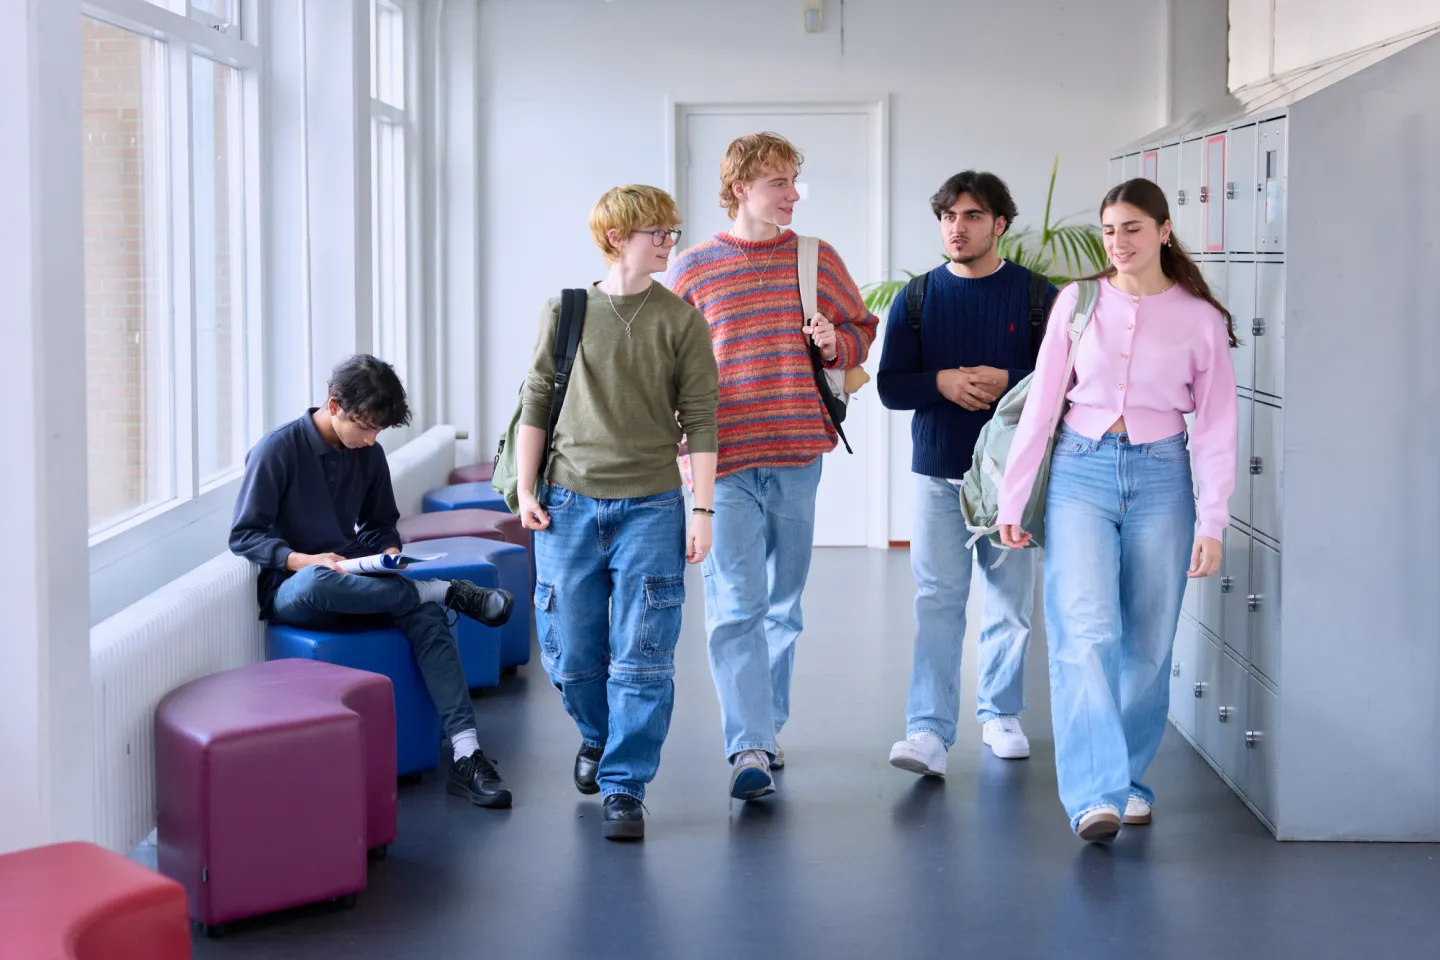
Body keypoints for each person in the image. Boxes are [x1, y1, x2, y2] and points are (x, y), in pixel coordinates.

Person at [998, 178, 1238, 842]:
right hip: (1080, 472)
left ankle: (1126, 777)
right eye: (1109, 230)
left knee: (1149, 643)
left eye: (1132, 228)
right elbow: (1042, 404)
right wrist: (1014, 496)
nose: (1118, 242)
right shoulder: (1077, 302)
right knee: (1085, 632)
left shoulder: (1201, 319)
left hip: (1164, 478)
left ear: (1164, 230)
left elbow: (1217, 428)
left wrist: (1213, 520)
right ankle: (1093, 796)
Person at [668, 132, 877, 802]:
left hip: (796, 455)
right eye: (778, 183)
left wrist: (835, 341)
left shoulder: (817, 258)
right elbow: (669, 367)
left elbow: (862, 329)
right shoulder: (694, 269)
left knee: (783, 604)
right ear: (740, 189)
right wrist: (681, 456)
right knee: (737, 605)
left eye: (794, 182)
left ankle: (766, 725)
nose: (792, 195)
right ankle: (749, 744)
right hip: (722, 462)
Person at [514, 185, 719, 842]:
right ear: (615, 238)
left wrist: (702, 508)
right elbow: (535, 402)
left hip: (652, 507)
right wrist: (525, 489)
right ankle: (599, 735)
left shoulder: (681, 320)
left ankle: (625, 785)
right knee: (570, 652)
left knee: (644, 655)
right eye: (656, 232)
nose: (668, 242)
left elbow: (702, 420)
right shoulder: (565, 310)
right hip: (566, 503)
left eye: (670, 231)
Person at [230, 354, 517, 809]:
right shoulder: (277, 450)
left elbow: (381, 523)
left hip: (362, 584)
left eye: (378, 430)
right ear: (333, 405)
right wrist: (302, 560)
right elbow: (244, 535)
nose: (370, 439)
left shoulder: (368, 453)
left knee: (427, 619)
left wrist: (388, 552)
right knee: (320, 581)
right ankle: (442, 589)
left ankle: (467, 755)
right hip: (298, 590)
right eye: (365, 427)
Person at [876, 171, 1057, 779]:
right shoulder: (917, 298)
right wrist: (942, 382)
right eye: (949, 216)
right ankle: (927, 731)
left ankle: (1001, 714)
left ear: (999, 224)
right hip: (938, 476)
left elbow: (1068, 381)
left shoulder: (1038, 296)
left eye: (972, 215)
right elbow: (890, 387)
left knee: (1009, 603)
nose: (958, 227)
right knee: (937, 601)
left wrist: (1011, 381)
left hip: (1013, 479)